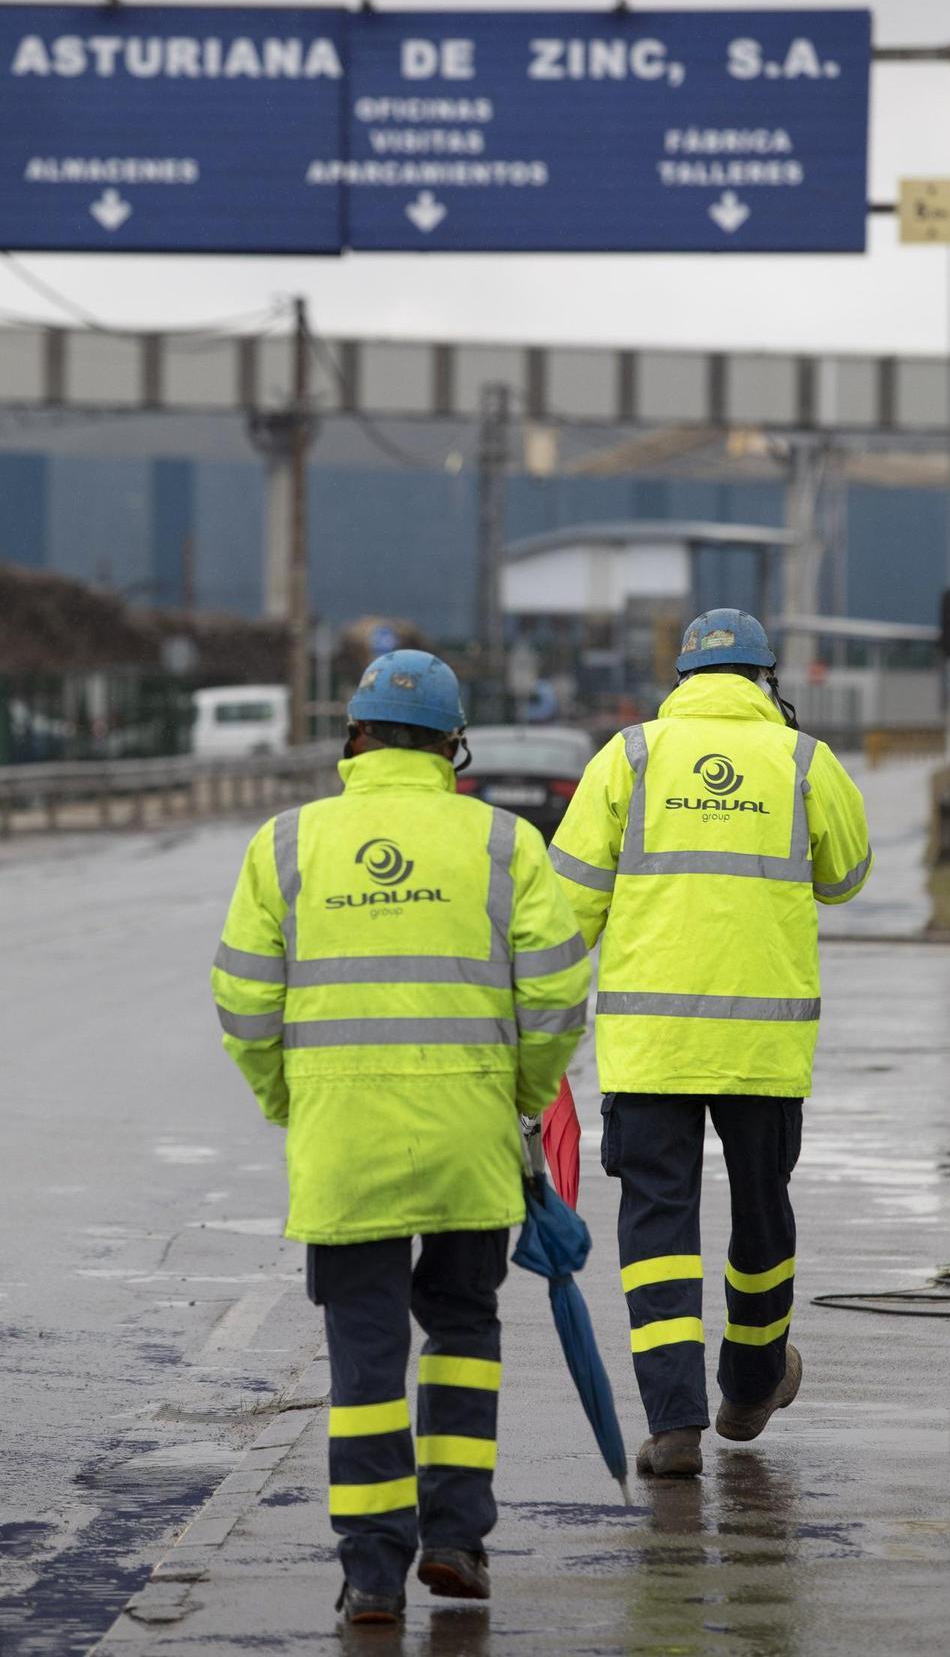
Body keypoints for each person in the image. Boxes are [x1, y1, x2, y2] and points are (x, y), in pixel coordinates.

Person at [211, 649, 590, 1623]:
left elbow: (246, 1003)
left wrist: (292, 1102)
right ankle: (457, 1537)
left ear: (356, 737)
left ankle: (372, 1571)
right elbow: (554, 994)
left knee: (365, 1356)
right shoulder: (506, 845)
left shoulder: (287, 844)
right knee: (463, 1331)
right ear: (453, 747)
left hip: (346, 1147)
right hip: (468, 1139)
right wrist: (519, 1093)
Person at [548, 609, 871, 1479]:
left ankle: (674, 1425)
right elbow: (845, 879)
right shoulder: (803, 759)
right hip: (763, 1052)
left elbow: (564, 908)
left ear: (683, 679)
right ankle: (754, 1382)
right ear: (767, 679)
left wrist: (531, 1026)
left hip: (651, 1049)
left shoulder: (630, 756)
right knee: (762, 1216)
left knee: (658, 1227)